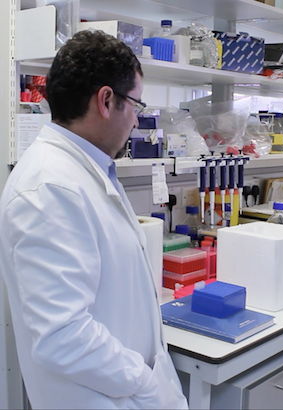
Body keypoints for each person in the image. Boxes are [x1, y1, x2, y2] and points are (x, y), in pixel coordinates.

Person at [0, 30, 188, 409]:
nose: (136, 120)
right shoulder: (50, 187)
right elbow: (62, 336)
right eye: (135, 104)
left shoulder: (85, 172)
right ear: (105, 100)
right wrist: (147, 384)